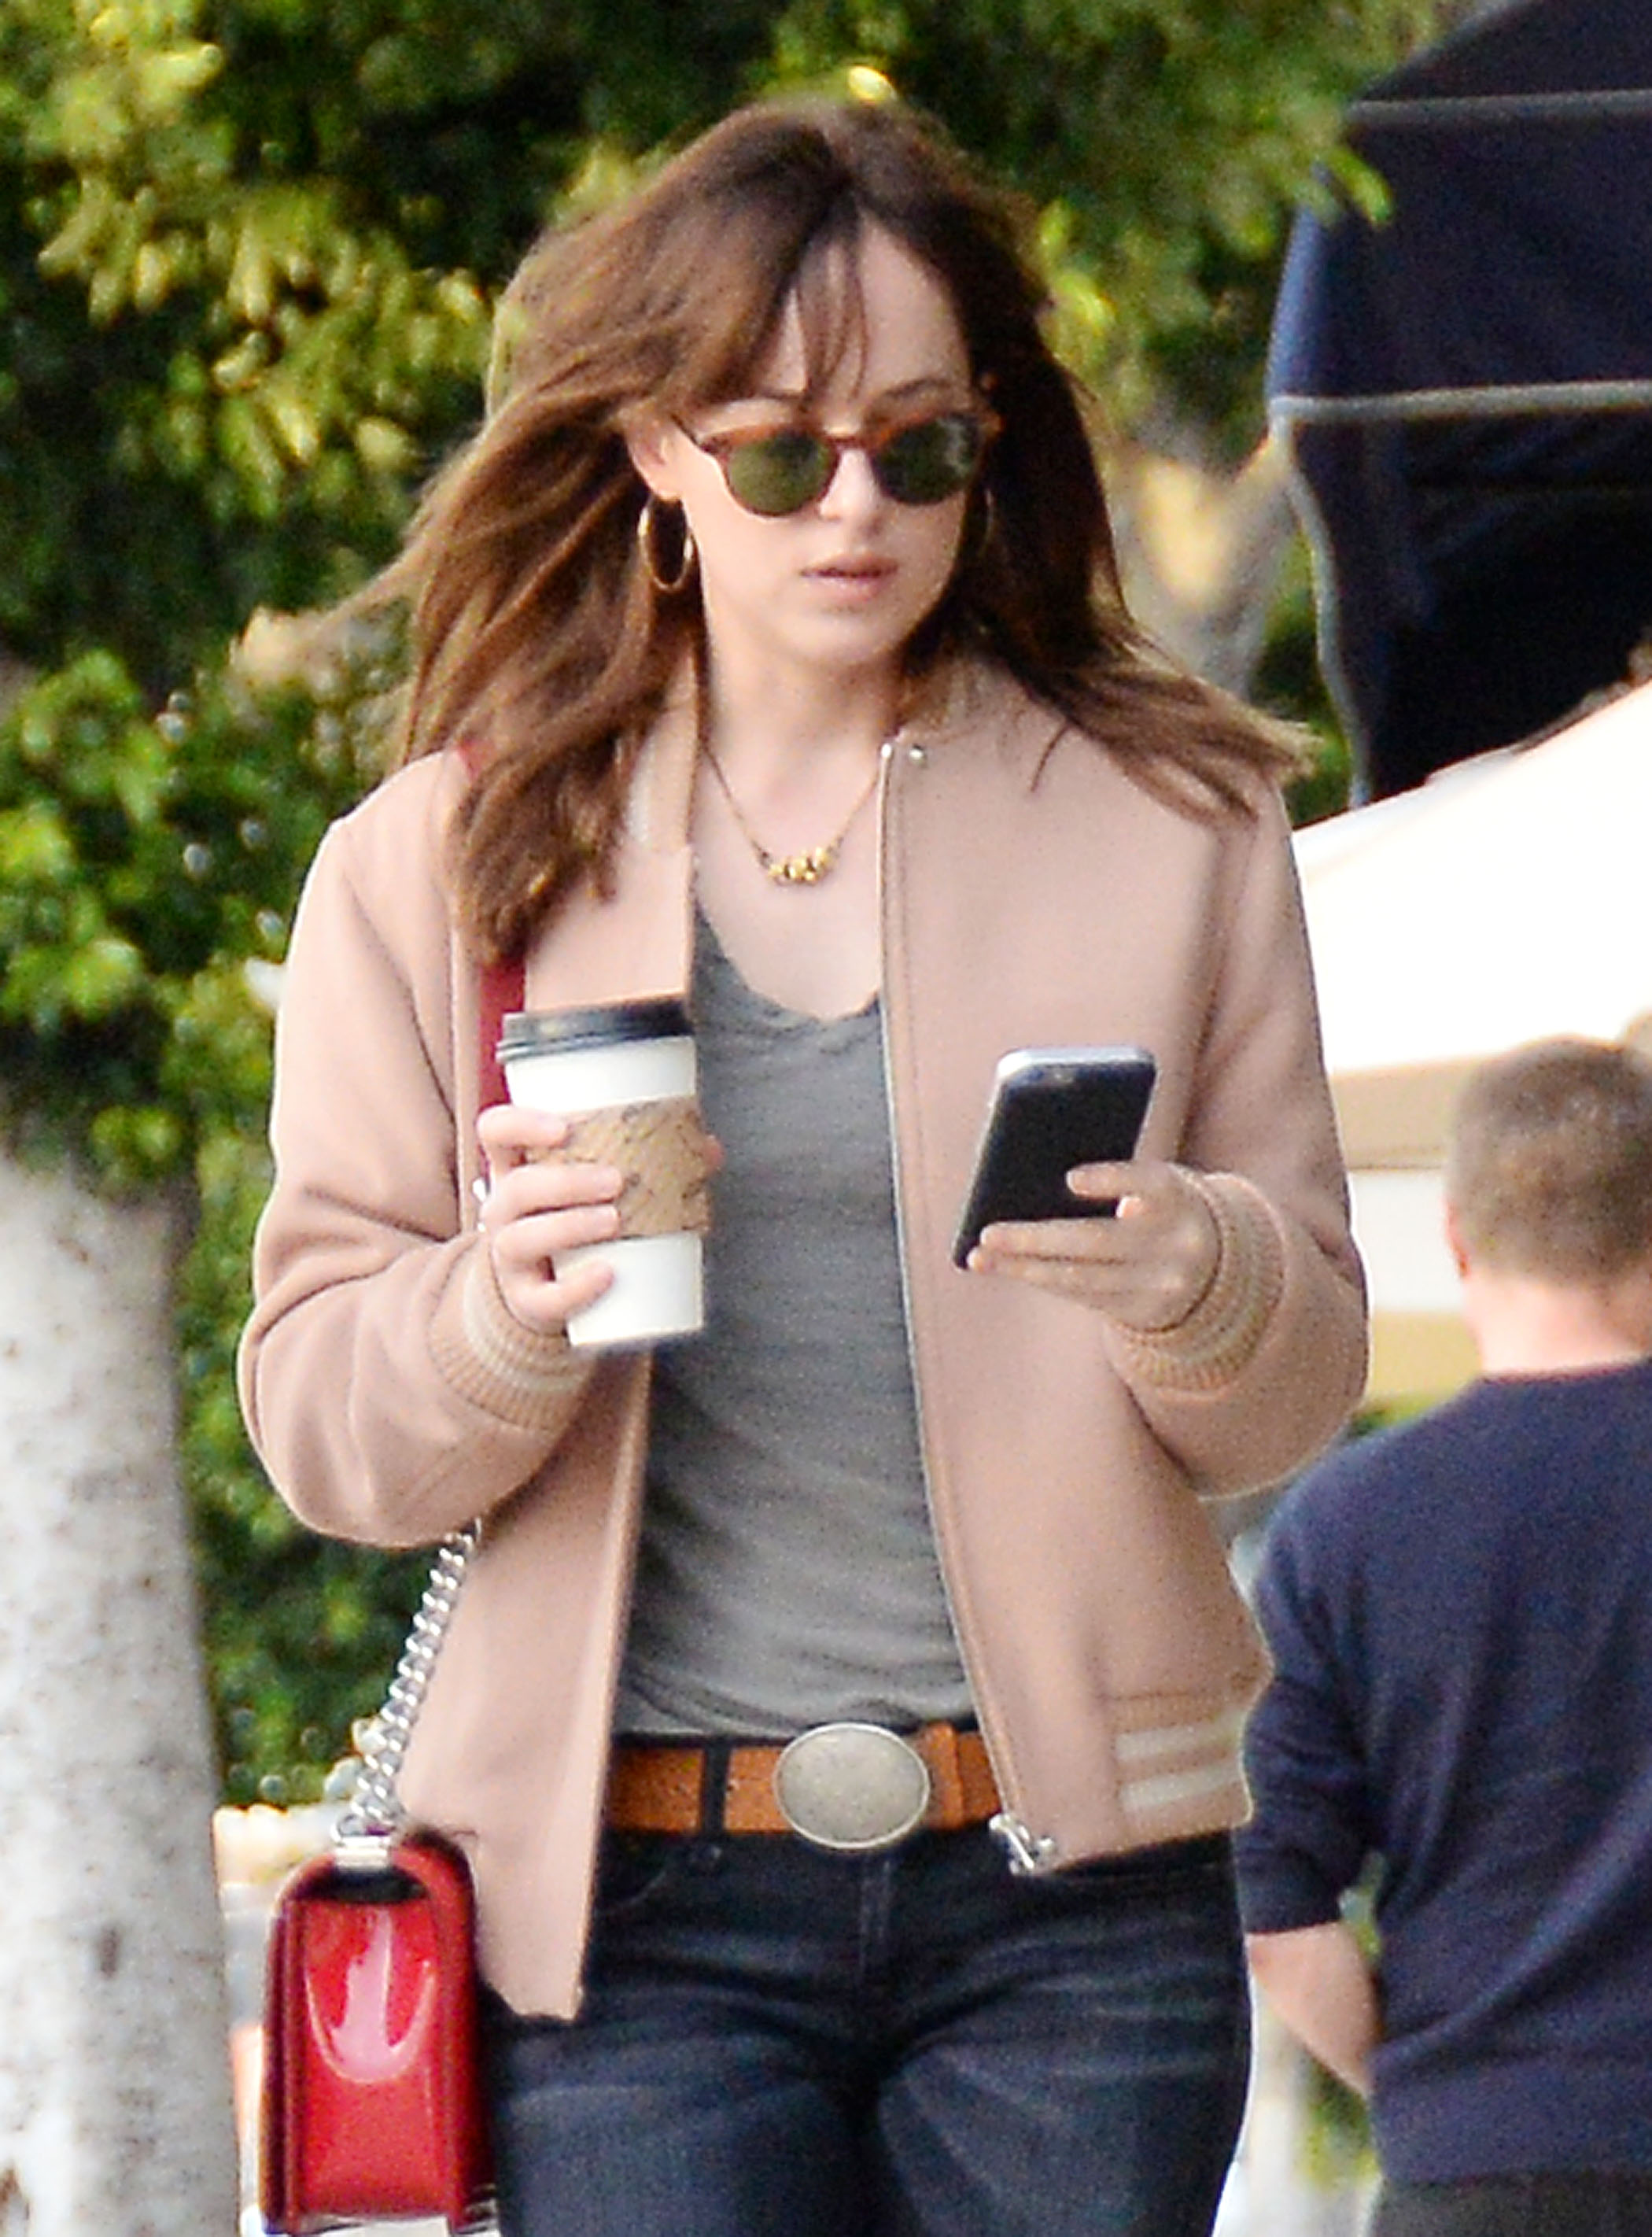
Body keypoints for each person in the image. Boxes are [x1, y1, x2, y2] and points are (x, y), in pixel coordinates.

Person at [238, 94, 1366, 2237]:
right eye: (779, 453)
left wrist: (1198, 1275)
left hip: (1074, 1900)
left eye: (918, 447)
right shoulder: (441, 862)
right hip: (628, 1912)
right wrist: (497, 1308)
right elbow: (322, 1430)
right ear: (656, 450)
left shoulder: (1177, 821)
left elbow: (1294, 1387)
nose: (854, 507)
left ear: (987, 444)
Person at [1237, 1036, 1652, 2237]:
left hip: (1478, 2163)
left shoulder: (1345, 1526)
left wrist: (1435, 2088)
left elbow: (1277, 1914)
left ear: (1457, 1236)